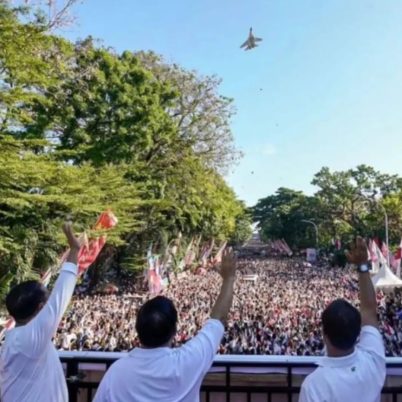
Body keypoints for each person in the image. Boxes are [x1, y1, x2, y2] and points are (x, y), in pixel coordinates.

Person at [93, 249, 237, 402]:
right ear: (174, 330)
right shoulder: (188, 361)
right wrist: (229, 278)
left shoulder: (116, 372)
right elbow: (218, 319)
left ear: (138, 330)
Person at [0, 222, 82, 402]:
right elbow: (61, 294)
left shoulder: (17, 339)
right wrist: (74, 250)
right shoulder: (30, 338)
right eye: (46, 302)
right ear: (39, 308)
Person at [299, 237, 386, 402]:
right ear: (358, 333)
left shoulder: (314, 385)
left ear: (324, 335)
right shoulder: (372, 361)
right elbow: (369, 309)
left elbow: (368, 310)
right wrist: (362, 266)